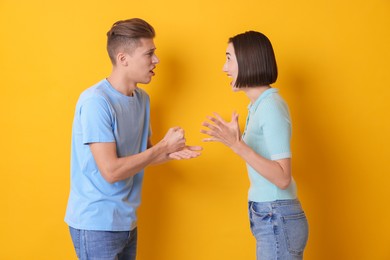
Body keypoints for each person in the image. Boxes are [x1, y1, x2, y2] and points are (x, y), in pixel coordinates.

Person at [65, 18, 201, 260]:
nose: (156, 60)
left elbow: (141, 155)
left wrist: (169, 152)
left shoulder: (142, 99)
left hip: (126, 222)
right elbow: (111, 171)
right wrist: (161, 148)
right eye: (149, 54)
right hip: (96, 223)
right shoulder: (96, 102)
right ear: (123, 59)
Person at [201, 31, 308, 259]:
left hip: (276, 215)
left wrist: (238, 145)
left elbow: (282, 177)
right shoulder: (259, 106)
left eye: (229, 58)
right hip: (270, 214)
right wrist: (235, 142)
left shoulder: (270, 107)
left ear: (248, 60)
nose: (224, 67)